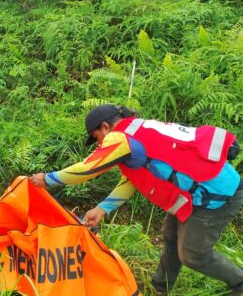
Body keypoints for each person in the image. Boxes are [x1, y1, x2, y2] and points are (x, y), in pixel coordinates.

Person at [30, 104, 243, 295]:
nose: (99, 144)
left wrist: (47, 179)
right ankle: (161, 286)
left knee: (192, 254)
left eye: (96, 137)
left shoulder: (119, 137)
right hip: (194, 194)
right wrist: (102, 209)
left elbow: (87, 169)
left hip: (216, 196)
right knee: (170, 235)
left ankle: (239, 282)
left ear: (105, 126)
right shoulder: (139, 129)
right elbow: (133, 180)